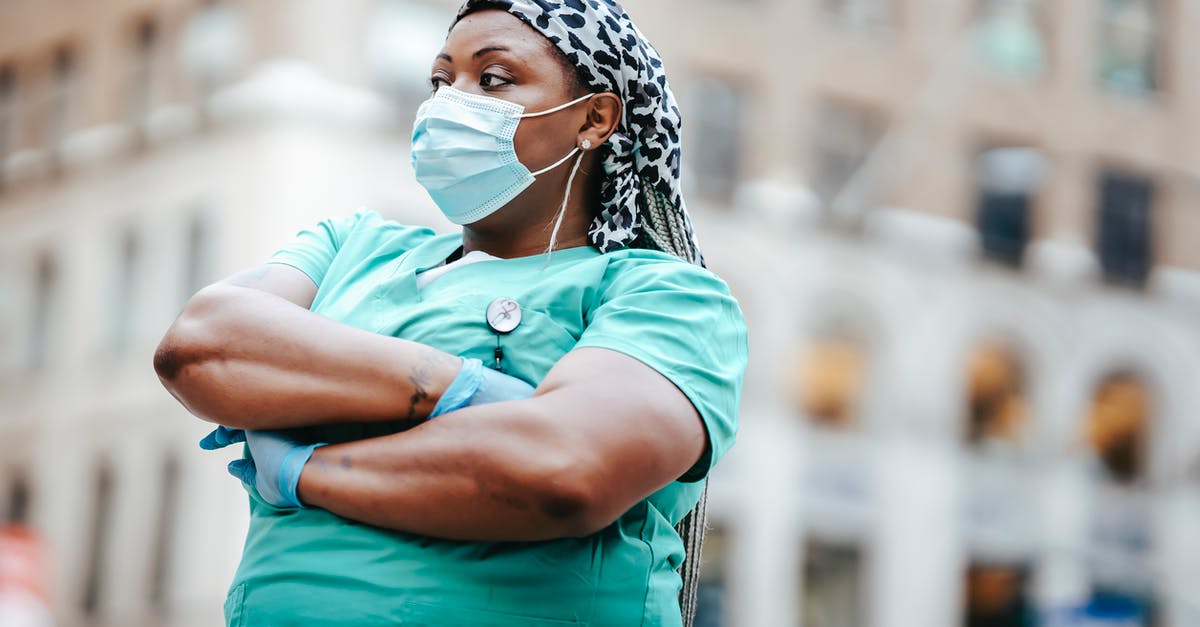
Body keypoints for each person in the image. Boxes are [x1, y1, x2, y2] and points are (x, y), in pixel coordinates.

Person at [154, 1, 748, 625]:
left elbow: (564, 470)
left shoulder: (665, 295)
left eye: (493, 79)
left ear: (594, 119)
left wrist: (302, 471)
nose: (449, 103)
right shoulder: (351, 246)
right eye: (441, 81)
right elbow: (201, 345)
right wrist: (470, 393)